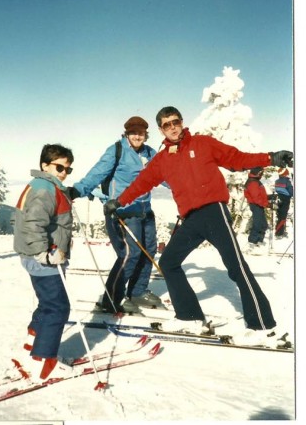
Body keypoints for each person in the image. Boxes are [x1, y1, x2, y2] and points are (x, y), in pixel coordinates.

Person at [103, 106, 293, 346]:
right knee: (169, 262)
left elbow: (237, 159)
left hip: (214, 212)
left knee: (236, 267)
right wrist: (118, 202)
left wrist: (270, 157)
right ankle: (190, 317)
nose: (172, 127)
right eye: (166, 124)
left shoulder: (202, 144)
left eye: (175, 122)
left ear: (181, 122)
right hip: (191, 219)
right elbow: (141, 183)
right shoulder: (162, 159)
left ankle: (264, 328)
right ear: (161, 129)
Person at [71, 116, 161, 314]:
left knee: (149, 249)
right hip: (122, 210)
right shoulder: (117, 151)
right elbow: (97, 173)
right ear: (127, 134)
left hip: (145, 210)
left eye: (141, 133)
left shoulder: (150, 153)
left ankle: (137, 292)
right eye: (133, 132)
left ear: (146, 134)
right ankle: (111, 298)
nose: (138, 136)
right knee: (130, 253)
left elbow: (166, 175)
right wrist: (77, 190)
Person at [13, 143, 75, 380]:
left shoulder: (44, 185)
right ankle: (43, 360)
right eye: (59, 167)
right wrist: (44, 254)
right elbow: (33, 225)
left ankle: (33, 341)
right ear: (44, 165)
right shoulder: (44, 189)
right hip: (43, 259)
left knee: (47, 302)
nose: (63, 173)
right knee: (58, 307)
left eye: (67, 169)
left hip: (38, 257)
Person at [243, 167, 268, 251]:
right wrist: (266, 204)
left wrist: (269, 197)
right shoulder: (253, 182)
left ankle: (259, 240)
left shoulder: (255, 181)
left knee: (263, 224)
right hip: (256, 205)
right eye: (261, 173)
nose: (262, 175)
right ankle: (252, 241)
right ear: (257, 173)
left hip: (259, 204)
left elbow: (260, 194)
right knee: (258, 224)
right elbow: (256, 197)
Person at [273, 168, 293, 238]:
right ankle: (279, 233)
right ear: (285, 174)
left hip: (279, 198)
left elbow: (276, 189)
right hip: (286, 199)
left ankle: (278, 230)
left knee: (280, 216)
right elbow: (291, 192)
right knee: (283, 217)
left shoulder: (276, 181)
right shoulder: (287, 182)